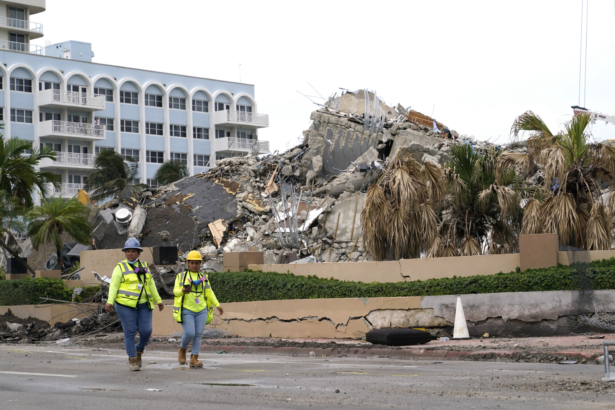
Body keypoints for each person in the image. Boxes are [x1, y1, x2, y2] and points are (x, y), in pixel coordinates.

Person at [105, 238, 164, 371]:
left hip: (144, 304)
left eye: (133, 251)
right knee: (130, 331)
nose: (130, 253)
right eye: (128, 251)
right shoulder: (120, 267)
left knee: (146, 331)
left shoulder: (144, 266)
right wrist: (110, 301)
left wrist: (158, 300)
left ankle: (139, 350)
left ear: (138, 253)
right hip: (125, 305)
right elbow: (113, 285)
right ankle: (132, 359)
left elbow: (151, 284)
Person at [173, 251, 224, 368]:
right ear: (187, 264)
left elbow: (209, 292)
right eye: (192, 263)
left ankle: (194, 358)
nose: (194, 265)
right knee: (190, 333)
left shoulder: (203, 277)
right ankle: (182, 349)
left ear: (200, 264)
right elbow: (175, 292)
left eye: (197, 263)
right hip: (187, 309)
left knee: (199, 334)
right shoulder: (181, 277)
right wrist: (182, 290)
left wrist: (217, 305)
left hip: (201, 309)